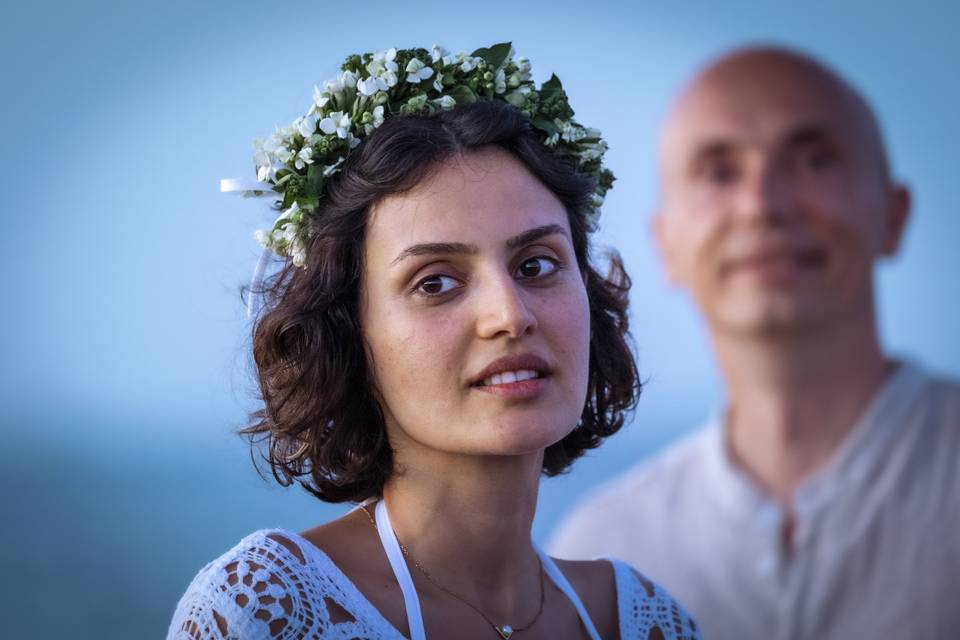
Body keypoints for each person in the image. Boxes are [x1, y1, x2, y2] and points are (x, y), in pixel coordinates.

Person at [167, 44, 701, 639]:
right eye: (436, 282)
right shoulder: (270, 612)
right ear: (347, 333)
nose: (508, 314)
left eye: (536, 265)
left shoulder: (645, 620)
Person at [548, 44, 960, 639]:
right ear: (666, 245)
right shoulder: (605, 557)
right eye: (719, 171)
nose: (763, 204)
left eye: (815, 160)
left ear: (894, 215)